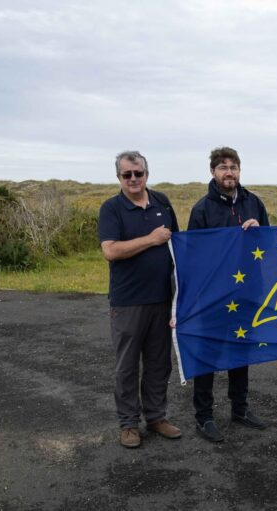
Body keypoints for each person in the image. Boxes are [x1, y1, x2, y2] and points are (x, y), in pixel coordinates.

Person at [98, 150, 182, 448]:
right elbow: (110, 250)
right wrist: (151, 239)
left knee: (159, 363)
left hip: (162, 298)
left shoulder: (162, 202)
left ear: (147, 173)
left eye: (138, 174)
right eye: (126, 175)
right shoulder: (112, 208)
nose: (133, 180)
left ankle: (157, 417)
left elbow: (177, 244)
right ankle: (129, 424)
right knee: (127, 366)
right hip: (128, 301)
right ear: (119, 177)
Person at [187, 146, 270, 442]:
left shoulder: (254, 203)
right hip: (213, 296)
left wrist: (260, 231)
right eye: (222, 167)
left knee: (239, 352)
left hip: (247, 292)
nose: (229, 172)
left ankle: (240, 408)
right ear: (212, 172)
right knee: (208, 353)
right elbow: (193, 257)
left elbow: (267, 246)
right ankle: (204, 416)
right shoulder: (201, 209)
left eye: (233, 166)